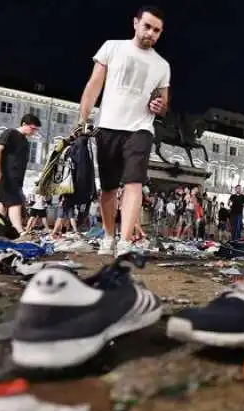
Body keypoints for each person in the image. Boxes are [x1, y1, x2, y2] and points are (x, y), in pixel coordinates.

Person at [77, 5, 171, 256]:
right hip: (108, 125)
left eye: (157, 30)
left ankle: (126, 241)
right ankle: (109, 236)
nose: (151, 33)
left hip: (140, 128)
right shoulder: (112, 47)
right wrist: (82, 120)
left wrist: (159, 105)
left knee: (134, 182)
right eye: (147, 26)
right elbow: (94, 84)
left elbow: (163, 104)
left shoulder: (162, 65)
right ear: (135, 23)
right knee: (107, 187)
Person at [0, 114, 41, 234]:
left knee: (2, 204)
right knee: (15, 201)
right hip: (7, 174)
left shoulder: (24, 141)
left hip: (17, 177)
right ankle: (19, 230)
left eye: (36, 129)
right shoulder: (10, 133)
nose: (34, 132)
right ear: (24, 124)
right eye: (32, 128)